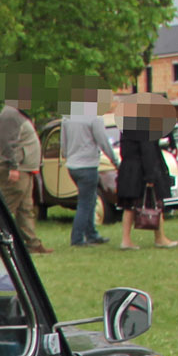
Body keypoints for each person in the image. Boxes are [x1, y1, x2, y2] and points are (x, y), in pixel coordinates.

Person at [0, 82, 50, 253]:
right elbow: (8, 143)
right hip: (16, 169)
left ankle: (33, 244)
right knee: (6, 208)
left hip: (25, 169)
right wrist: (13, 167)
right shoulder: (10, 114)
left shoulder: (18, 114)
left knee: (25, 209)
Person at [62, 90, 119, 246]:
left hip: (72, 165)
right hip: (88, 165)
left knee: (90, 199)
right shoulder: (94, 117)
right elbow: (103, 141)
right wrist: (115, 161)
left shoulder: (68, 116)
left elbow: (63, 143)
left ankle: (91, 233)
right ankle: (77, 238)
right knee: (86, 202)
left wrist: (67, 156)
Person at [115, 109, 178, 250]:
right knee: (157, 203)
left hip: (127, 169)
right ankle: (160, 238)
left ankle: (126, 240)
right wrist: (151, 176)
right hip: (141, 171)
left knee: (129, 206)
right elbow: (148, 152)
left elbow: (123, 151)